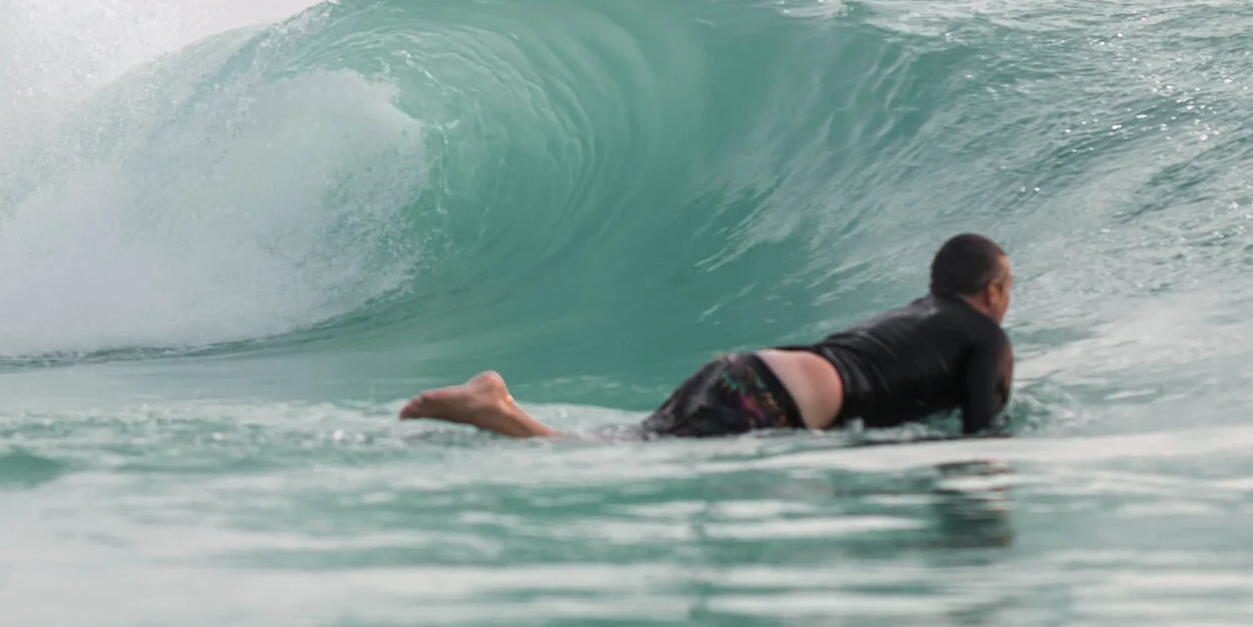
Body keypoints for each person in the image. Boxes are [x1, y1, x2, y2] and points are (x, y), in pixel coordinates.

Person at [401, 233, 1015, 441]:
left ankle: (497, 407)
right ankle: (497, 410)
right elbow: (983, 435)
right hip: (771, 397)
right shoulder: (984, 337)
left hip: (746, 372)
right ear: (991, 291)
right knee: (615, 456)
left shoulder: (916, 318)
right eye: (1009, 287)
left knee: (631, 443)